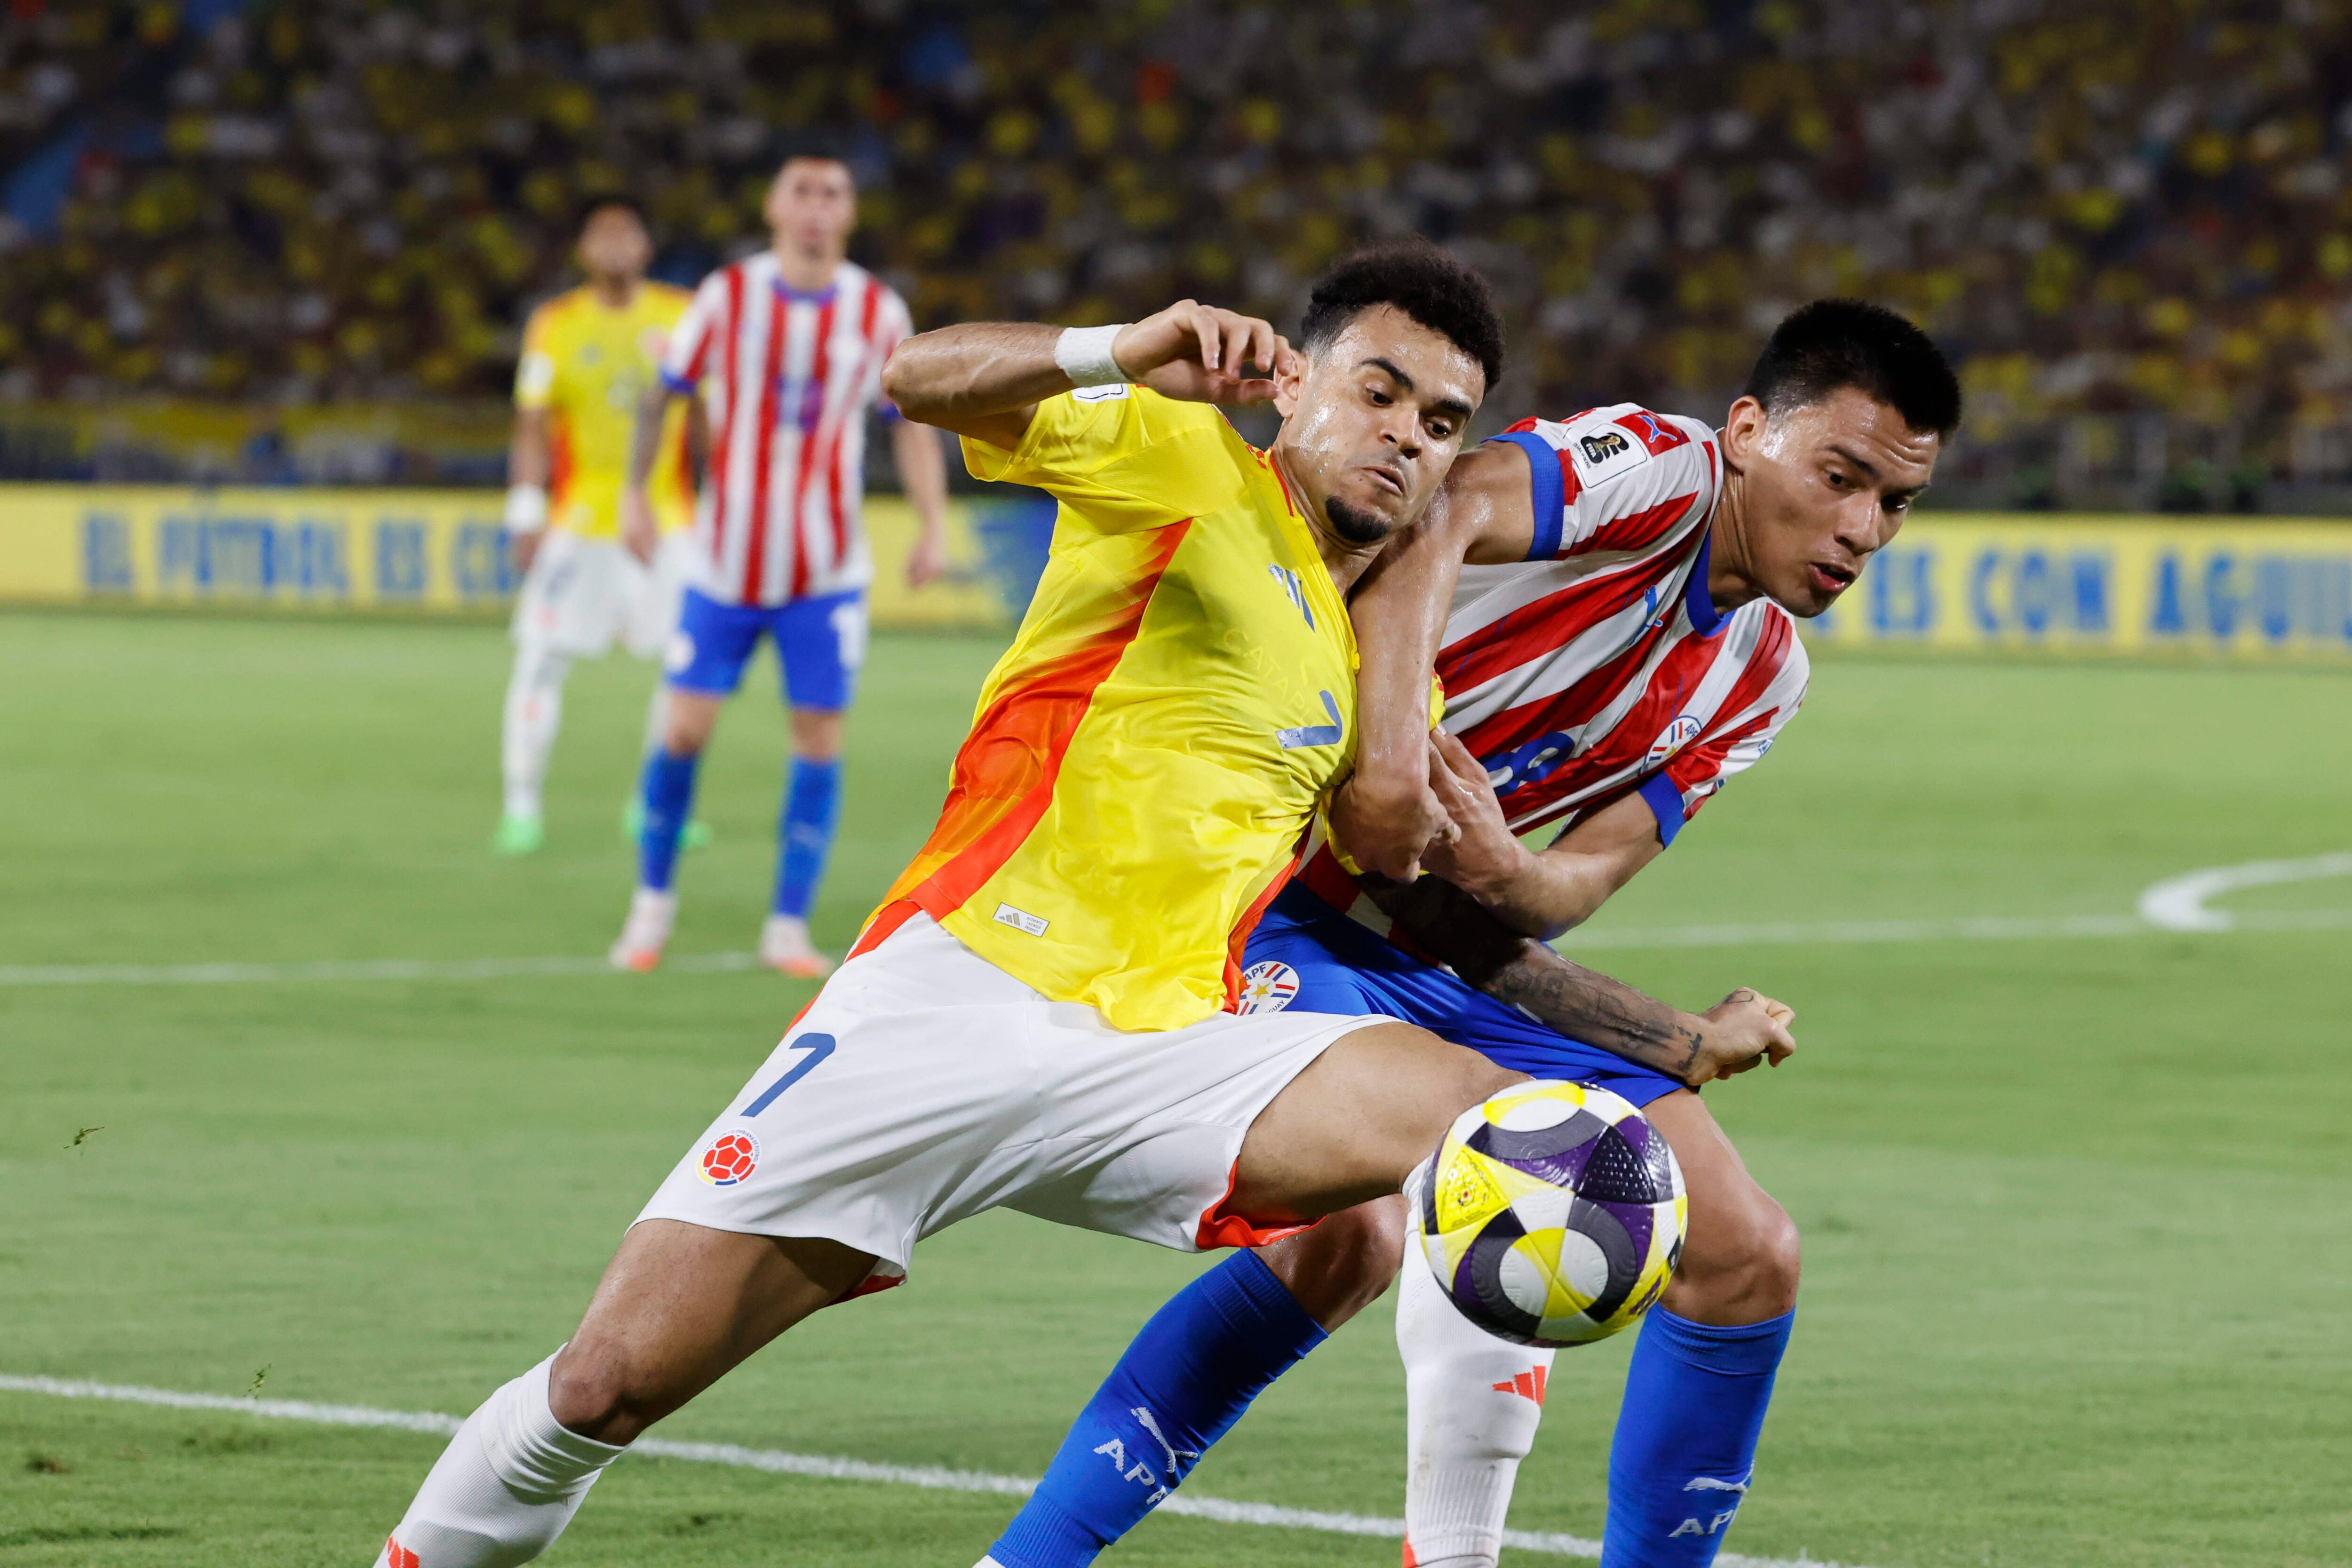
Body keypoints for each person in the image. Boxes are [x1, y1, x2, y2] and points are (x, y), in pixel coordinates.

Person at [368, 248, 1776, 1568]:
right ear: (1300, 382)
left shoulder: (1367, 664)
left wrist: (1650, 1034)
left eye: (1443, 416)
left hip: (1167, 1047)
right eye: (1380, 389)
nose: (1407, 431)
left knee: (1502, 1137)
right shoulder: (1181, 458)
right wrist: (1116, 349)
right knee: (603, 1387)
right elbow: (913, 376)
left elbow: (1427, 925)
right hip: (957, 993)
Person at [979, 300, 1960, 1568]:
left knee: (1745, 1252)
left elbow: (1576, 882)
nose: (1862, 529)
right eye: (1841, 478)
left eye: (1896, 504)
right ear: (1749, 431)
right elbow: (1441, 512)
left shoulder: (1766, 672)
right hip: (1283, 894)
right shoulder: (1655, 473)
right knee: (1357, 1233)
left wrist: (1512, 867)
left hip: (1452, 946)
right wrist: (1389, 758)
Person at [607, 154, 950, 978]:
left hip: (825, 573)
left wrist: (934, 521)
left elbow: (911, 422)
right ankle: (650, 907)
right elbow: (665, 393)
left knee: (818, 740)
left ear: (850, 214)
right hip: (725, 565)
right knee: (683, 729)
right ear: (772, 207)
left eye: (832, 194)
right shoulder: (728, 297)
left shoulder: (878, 309)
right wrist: (635, 496)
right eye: (801, 191)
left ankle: (787, 927)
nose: (815, 209)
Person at [493, 201, 699, 858]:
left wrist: (722, 508)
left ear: (646, 247)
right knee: (541, 659)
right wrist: (526, 510)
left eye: (627, 232)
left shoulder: (681, 314)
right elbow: (531, 424)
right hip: (581, 521)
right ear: (583, 250)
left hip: (667, 522)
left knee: (684, 670)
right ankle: (521, 807)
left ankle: (652, 805)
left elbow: (709, 416)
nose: (614, 244)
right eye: (600, 233)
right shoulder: (555, 324)